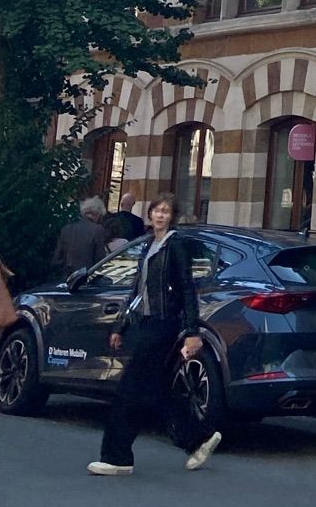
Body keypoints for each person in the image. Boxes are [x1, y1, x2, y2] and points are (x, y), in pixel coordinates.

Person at [88, 194, 221, 477]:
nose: (160, 216)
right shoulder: (149, 245)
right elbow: (137, 290)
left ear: (172, 216)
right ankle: (198, 438)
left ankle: (117, 456)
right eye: (156, 211)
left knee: (129, 389)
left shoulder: (175, 245)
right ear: (149, 214)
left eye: (166, 212)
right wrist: (120, 326)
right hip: (145, 323)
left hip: (164, 324)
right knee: (157, 390)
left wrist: (192, 331)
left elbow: (187, 290)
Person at [53, 195, 110, 275]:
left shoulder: (67, 227)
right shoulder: (97, 230)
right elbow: (100, 258)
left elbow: (57, 257)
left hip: (64, 274)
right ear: (97, 213)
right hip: (85, 276)